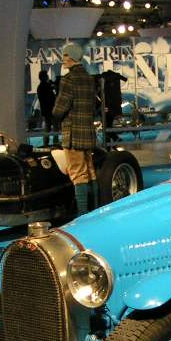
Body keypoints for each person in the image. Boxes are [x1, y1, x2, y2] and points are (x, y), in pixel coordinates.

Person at [52, 42, 98, 214]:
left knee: (78, 173)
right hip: (87, 133)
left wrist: (55, 116)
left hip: (73, 134)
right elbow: (93, 107)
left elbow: (59, 109)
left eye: (65, 55)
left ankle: (82, 215)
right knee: (90, 172)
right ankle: (95, 210)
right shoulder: (88, 78)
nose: (63, 59)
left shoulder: (68, 79)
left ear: (72, 57)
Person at [99, 69, 127, 143]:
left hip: (106, 106)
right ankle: (110, 142)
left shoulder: (103, 77)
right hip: (115, 107)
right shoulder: (117, 77)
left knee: (106, 126)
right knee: (108, 125)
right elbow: (125, 79)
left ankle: (112, 141)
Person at [36, 69, 56, 145]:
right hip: (50, 110)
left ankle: (46, 143)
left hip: (46, 110)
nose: (48, 77)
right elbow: (51, 98)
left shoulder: (41, 87)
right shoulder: (45, 86)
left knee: (48, 127)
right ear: (44, 77)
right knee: (54, 127)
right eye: (46, 76)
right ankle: (54, 143)